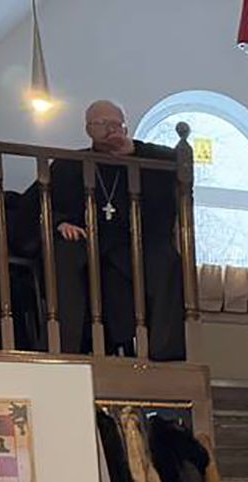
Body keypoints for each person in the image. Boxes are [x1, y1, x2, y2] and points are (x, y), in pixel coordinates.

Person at [49, 100, 187, 361]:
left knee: (167, 261)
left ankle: (165, 354)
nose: (112, 129)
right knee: (66, 254)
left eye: (117, 124)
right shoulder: (69, 164)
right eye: (103, 124)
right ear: (88, 128)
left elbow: (177, 163)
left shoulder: (142, 156)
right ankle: (68, 348)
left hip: (133, 242)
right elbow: (41, 202)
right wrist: (60, 222)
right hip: (87, 242)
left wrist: (133, 151)